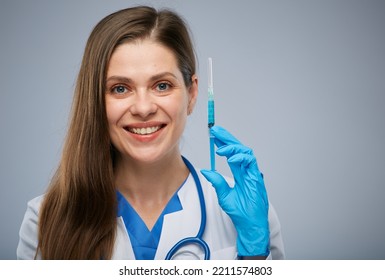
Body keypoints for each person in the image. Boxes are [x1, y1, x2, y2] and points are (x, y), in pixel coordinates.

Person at [17, 6, 285, 260]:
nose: (143, 108)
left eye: (162, 85)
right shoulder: (43, 220)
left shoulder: (250, 215)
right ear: (96, 101)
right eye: (120, 88)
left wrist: (253, 252)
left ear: (192, 94)